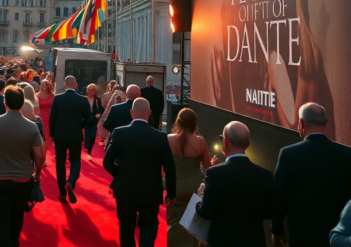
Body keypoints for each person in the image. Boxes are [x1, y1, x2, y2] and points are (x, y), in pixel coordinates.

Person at [272, 103, 351, 247]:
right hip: (336, 238)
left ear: (301, 123)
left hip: (301, 237)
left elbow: (280, 197)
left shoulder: (288, 154)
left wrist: (277, 231)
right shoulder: (348, 154)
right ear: (326, 122)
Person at [103, 98, 176, 247]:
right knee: (149, 225)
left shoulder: (119, 133)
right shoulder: (161, 137)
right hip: (150, 191)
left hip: (124, 189)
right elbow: (169, 168)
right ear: (149, 113)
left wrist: (120, 174)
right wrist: (171, 192)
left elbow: (107, 162)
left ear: (131, 113)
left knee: (126, 228)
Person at [0, 85, 44, 247]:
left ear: (5, 103)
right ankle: (13, 242)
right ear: (22, 104)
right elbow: (40, 155)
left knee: (1, 219)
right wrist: (38, 173)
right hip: (22, 179)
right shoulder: (31, 126)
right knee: (17, 216)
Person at [196, 121, 275, 247]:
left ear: (225, 142)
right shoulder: (265, 175)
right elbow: (269, 212)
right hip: (254, 241)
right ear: (248, 144)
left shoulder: (214, 173)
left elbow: (206, 212)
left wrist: (200, 198)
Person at [165, 108, 216, 247]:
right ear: (194, 124)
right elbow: (207, 169)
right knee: (193, 224)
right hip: (194, 187)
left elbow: (163, 166)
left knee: (173, 223)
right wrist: (211, 164)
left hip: (174, 187)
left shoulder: (168, 139)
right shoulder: (200, 142)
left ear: (178, 122)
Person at [49, 75, 91, 204]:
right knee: (75, 160)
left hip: (60, 135)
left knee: (60, 163)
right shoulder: (83, 100)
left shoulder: (58, 98)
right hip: (75, 135)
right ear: (75, 85)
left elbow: (52, 119)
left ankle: (62, 193)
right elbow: (88, 119)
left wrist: (52, 134)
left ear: (65, 85)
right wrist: (80, 126)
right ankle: (71, 182)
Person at [83, 83, 100, 161]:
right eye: (90, 90)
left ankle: (89, 150)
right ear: (87, 90)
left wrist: (99, 114)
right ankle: (86, 147)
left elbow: (101, 110)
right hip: (86, 120)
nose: (91, 91)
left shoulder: (97, 100)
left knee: (93, 136)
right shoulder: (84, 99)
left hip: (94, 121)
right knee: (87, 135)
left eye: (93, 90)